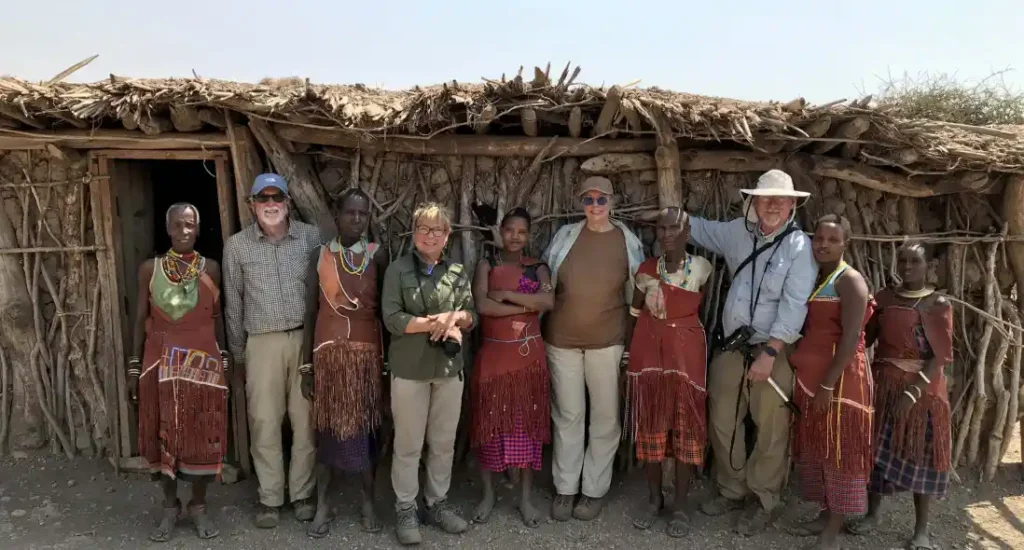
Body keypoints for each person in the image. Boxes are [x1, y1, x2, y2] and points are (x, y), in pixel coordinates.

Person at [690, 169, 816, 535]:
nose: (773, 205)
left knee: (771, 428)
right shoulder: (736, 233)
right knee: (723, 419)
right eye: (766, 198)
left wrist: (772, 353)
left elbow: (794, 306)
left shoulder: (799, 247)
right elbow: (696, 227)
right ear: (754, 201)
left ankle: (764, 499)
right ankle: (732, 489)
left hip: (771, 351)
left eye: (781, 199)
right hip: (732, 346)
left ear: (792, 204)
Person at [541, 176, 645, 521]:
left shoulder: (627, 241)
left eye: (602, 200)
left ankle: (593, 490)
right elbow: (545, 276)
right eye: (589, 199)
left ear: (612, 202)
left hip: (607, 342)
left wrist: (631, 346)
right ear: (580, 201)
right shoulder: (566, 237)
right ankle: (566, 487)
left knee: (604, 417)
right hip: (562, 341)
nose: (595, 206)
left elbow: (637, 296)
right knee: (568, 415)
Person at [222, 173, 323, 528]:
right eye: (262, 198)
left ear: (288, 202)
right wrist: (237, 356)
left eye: (276, 196)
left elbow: (323, 294)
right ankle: (269, 497)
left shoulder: (311, 238)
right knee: (264, 421)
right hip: (261, 343)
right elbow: (233, 304)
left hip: (303, 340)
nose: (270, 204)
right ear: (251, 205)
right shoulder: (237, 246)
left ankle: (302, 493)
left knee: (305, 421)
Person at [127, 203, 229, 542]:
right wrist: (133, 365)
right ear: (167, 228)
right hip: (159, 362)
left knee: (202, 433)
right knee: (162, 434)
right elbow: (140, 318)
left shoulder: (211, 268)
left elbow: (218, 318)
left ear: (198, 229)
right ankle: (170, 507)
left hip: (203, 362)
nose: (183, 231)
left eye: (189, 225)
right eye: (177, 225)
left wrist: (225, 360)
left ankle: (198, 505)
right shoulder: (149, 269)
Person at [380, 202, 478, 545]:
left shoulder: (457, 272)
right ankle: (406, 508)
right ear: (414, 232)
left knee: (442, 443)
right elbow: (392, 318)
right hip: (409, 371)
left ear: (448, 235)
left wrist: (455, 318)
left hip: (449, 371)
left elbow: (471, 315)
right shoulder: (397, 270)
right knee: (408, 445)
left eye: (438, 230)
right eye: (424, 228)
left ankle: (438, 503)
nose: (430, 235)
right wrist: (434, 323)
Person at [848, 242, 953, 550]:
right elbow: (866, 335)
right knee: (877, 455)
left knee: (920, 458)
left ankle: (921, 530)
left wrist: (914, 391)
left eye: (915, 261)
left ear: (928, 265)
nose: (907, 266)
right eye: (903, 260)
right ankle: (872, 514)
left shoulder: (938, 303)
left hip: (923, 392)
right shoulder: (885, 298)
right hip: (883, 384)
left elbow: (940, 357)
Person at [300, 189, 388, 538]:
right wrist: (307, 367)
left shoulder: (377, 256)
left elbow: (384, 313)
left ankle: (368, 501)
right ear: (336, 215)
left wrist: (386, 366)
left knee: (367, 432)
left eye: (362, 214)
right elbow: (310, 311)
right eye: (350, 212)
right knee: (328, 432)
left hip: (367, 359)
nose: (356, 219)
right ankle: (324, 504)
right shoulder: (319, 256)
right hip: (329, 359)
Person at [625, 207, 713, 538]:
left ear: (688, 232)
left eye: (674, 227)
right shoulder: (646, 271)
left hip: (686, 362)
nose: (666, 234)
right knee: (651, 430)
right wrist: (627, 359)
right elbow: (634, 315)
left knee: (685, 432)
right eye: (661, 228)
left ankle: (680, 504)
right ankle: (653, 499)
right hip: (650, 362)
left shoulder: (702, 269)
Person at [788, 215, 872, 550]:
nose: (823, 244)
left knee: (840, 451)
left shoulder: (850, 281)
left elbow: (852, 338)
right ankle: (824, 515)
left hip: (839, 383)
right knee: (821, 450)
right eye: (818, 238)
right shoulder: (819, 278)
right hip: (814, 381)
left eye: (832, 239)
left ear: (845, 244)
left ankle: (832, 533)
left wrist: (827, 384)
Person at [470, 207, 553, 528]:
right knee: (488, 427)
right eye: (510, 231)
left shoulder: (539, 269)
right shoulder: (485, 265)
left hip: (529, 362)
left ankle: (525, 499)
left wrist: (505, 295)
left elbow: (548, 301)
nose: (515, 237)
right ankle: (488, 494)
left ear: (529, 236)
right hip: (493, 359)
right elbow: (481, 305)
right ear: (500, 232)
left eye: (522, 232)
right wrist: (524, 307)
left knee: (527, 429)